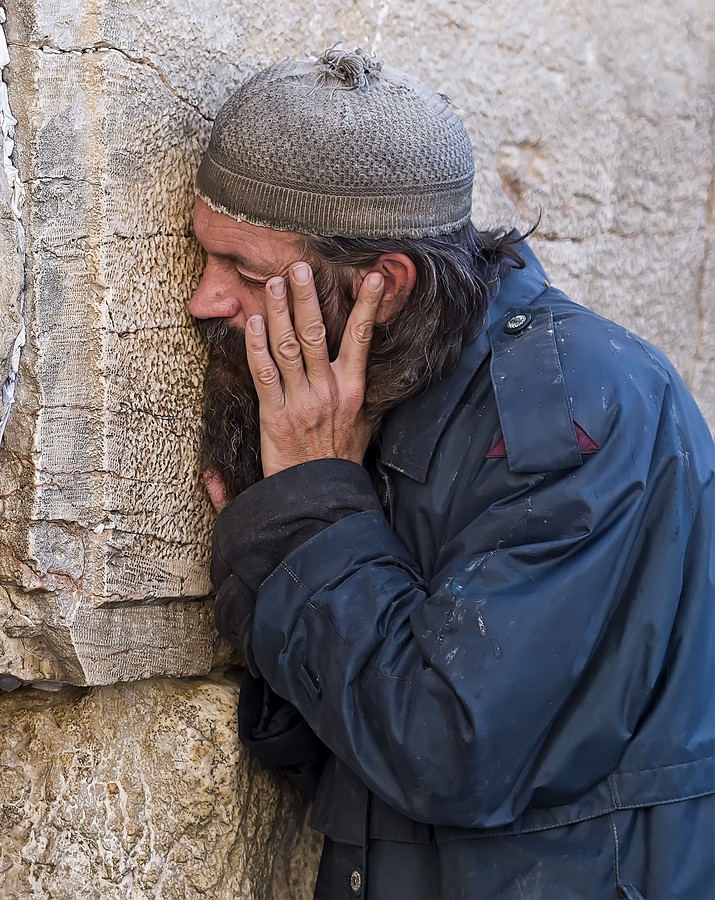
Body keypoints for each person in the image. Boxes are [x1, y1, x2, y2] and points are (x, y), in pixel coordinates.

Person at [190, 47, 714, 899]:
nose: (203, 300)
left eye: (244, 272)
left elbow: (447, 750)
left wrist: (310, 521)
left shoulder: (568, 411)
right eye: (203, 259)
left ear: (385, 286)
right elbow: (338, 746)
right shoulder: (386, 391)